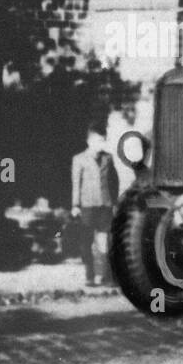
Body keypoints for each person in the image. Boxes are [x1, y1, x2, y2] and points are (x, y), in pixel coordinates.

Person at [71, 121, 119, 286]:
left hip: (105, 205)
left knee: (105, 242)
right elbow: (76, 183)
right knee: (86, 243)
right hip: (87, 205)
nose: (101, 144)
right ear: (89, 141)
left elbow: (114, 181)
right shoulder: (79, 159)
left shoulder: (108, 158)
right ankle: (89, 276)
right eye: (98, 140)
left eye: (103, 140)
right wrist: (75, 205)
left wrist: (114, 202)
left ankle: (106, 276)